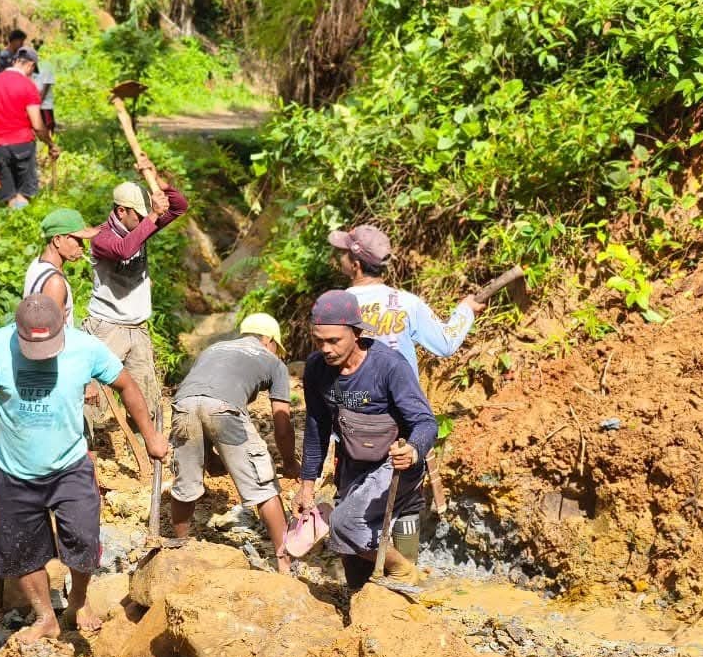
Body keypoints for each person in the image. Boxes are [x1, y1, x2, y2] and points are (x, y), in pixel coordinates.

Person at [0, 293, 168, 642]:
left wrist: (151, 436)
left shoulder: (86, 348)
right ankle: (45, 617)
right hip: (13, 470)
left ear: (63, 326)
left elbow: (125, 384)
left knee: (83, 539)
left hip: (70, 466)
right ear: (16, 331)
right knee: (21, 550)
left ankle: (78, 602)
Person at [296, 290, 438, 591]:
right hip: (352, 465)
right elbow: (316, 427)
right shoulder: (317, 369)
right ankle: (361, 610)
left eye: (334, 340)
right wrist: (307, 485)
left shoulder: (388, 366)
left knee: (344, 524)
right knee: (349, 554)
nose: (326, 349)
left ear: (357, 333)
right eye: (318, 340)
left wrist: (413, 450)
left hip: (393, 464)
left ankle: (402, 570)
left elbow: (425, 422)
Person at [169, 314, 301, 572]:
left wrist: (211, 458)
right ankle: (286, 561)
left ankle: (178, 550)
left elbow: (200, 401)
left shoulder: (213, 349)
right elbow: (282, 425)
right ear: (269, 340)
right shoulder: (273, 361)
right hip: (224, 409)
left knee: (185, 484)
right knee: (263, 485)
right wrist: (289, 462)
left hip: (183, 405)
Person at [83, 163, 188, 421]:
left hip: (137, 328)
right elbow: (124, 250)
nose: (143, 221)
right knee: (91, 403)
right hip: (106, 328)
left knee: (146, 401)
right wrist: (151, 217)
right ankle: (85, 456)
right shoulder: (102, 237)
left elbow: (179, 208)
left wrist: (158, 182)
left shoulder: (138, 227)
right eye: (138, 216)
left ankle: (147, 450)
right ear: (121, 211)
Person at [330, 224, 483, 366]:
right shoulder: (407, 303)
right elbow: (446, 344)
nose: (339, 257)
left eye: (343, 253)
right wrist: (465, 310)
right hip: (403, 394)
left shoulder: (334, 308)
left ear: (355, 265)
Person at [0, 45, 58, 209]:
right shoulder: (29, 86)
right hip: (23, 145)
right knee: (24, 194)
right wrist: (50, 144)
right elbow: (37, 125)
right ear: (30, 65)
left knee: (9, 196)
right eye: (33, 69)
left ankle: (12, 223)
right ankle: (22, 227)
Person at [24, 207, 98, 324]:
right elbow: (53, 334)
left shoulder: (37, 263)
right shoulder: (54, 282)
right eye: (78, 240)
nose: (82, 246)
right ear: (57, 240)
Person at [32, 53, 55, 134]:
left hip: (45, 105)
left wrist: (36, 105)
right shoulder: (28, 73)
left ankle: (50, 144)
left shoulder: (46, 70)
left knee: (47, 127)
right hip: (33, 106)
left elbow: (44, 92)